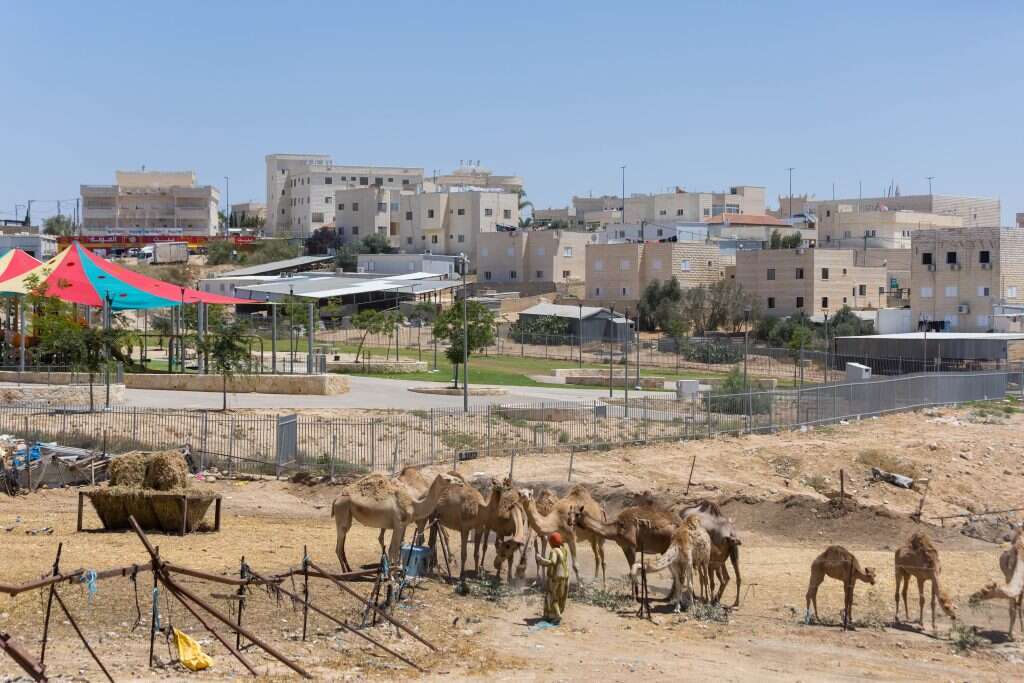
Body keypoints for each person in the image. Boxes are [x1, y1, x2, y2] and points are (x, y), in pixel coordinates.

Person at [536, 531, 570, 624]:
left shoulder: (554, 550)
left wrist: (541, 560)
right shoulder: (564, 549)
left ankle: (557, 616)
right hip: (565, 576)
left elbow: (553, 562)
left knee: (552, 596)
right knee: (560, 597)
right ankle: (551, 615)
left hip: (555, 577)